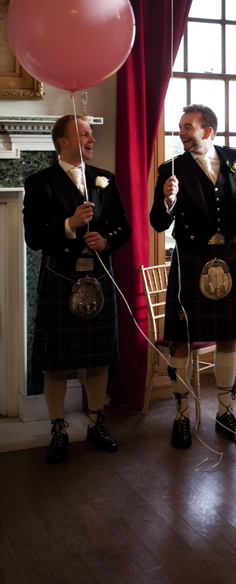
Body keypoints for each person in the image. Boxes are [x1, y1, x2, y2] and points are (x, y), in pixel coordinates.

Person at [150, 104, 236, 447]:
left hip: (229, 255)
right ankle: (182, 416)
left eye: (188, 127)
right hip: (190, 259)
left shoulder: (234, 158)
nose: (181, 132)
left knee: (228, 337)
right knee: (182, 339)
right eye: (181, 127)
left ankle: (226, 410)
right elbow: (158, 222)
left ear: (208, 131)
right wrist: (168, 201)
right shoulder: (171, 168)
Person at [23, 114, 132, 464]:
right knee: (55, 363)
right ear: (64, 142)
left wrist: (106, 239)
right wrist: (69, 224)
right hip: (61, 278)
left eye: (91, 133)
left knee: (98, 358)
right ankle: (58, 428)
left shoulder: (105, 180)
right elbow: (34, 237)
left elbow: (123, 227)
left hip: (98, 276)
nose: (92, 138)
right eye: (84, 133)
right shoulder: (39, 183)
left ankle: (96, 423)